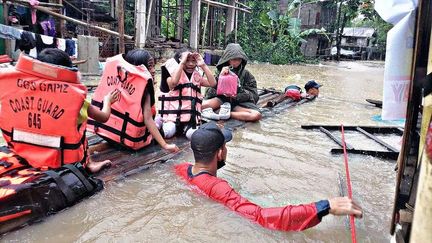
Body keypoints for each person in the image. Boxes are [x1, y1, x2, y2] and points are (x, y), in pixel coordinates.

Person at [175, 122, 363, 231]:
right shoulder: (219, 187)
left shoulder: (182, 169)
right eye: (225, 147)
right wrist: (323, 206)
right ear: (219, 153)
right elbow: (261, 218)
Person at [0, 48, 116, 173]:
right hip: (62, 162)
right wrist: (108, 100)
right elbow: (103, 117)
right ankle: (89, 164)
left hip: (21, 153)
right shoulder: (76, 98)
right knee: (80, 127)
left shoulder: (14, 89)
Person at [88, 49, 179, 153]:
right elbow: (148, 119)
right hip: (130, 141)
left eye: (153, 66)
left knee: (158, 120)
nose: (153, 70)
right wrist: (165, 145)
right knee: (165, 125)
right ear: (139, 67)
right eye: (149, 66)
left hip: (108, 134)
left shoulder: (117, 77)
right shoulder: (144, 87)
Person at [158, 48, 216, 139]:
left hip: (191, 120)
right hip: (173, 118)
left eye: (193, 61)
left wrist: (203, 65)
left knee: (192, 135)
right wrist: (181, 63)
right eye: (187, 61)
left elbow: (212, 83)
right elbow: (173, 84)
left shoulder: (197, 76)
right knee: (168, 132)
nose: (190, 64)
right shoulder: (171, 75)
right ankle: (158, 124)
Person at [202, 43, 261, 122]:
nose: (236, 62)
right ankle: (220, 111)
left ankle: (226, 114)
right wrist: (220, 78)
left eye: (239, 59)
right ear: (228, 59)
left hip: (237, 104)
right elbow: (208, 93)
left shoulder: (247, 75)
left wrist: (237, 93)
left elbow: (254, 96)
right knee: (199, 107)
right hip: (220, 101)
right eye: (234, 59)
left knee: (256, 115)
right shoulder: (219, 72)